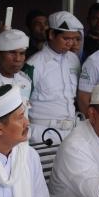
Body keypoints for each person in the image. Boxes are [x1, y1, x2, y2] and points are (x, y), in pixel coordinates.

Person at [26, 11, 82, 141]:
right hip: (43, 133)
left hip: (71, 132)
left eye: (73, 39)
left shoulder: (73, 59)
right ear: (51, 34)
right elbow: (21, 102)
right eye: (66, 38)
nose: (70, 43)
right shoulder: (34, 64)